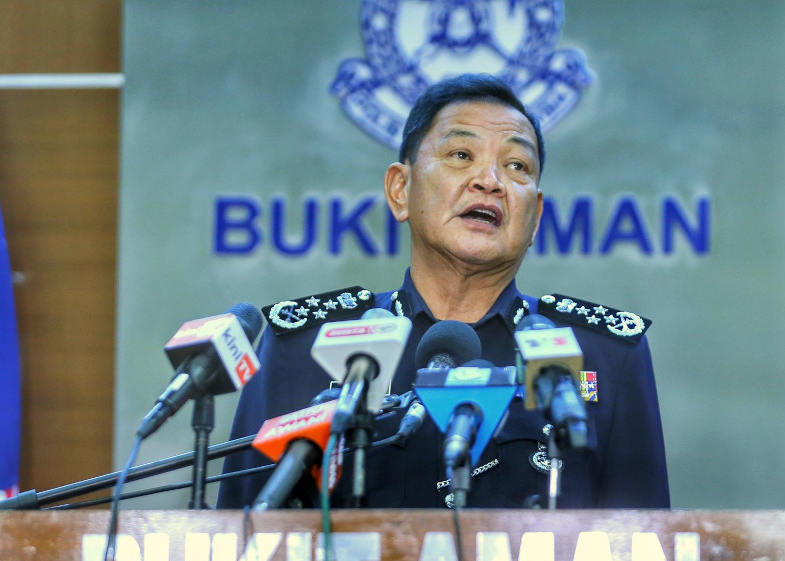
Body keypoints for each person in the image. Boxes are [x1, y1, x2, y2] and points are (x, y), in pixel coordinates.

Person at [217, 73, 669, 510]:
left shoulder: (603, 355)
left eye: (517, 166)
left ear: (536, 217)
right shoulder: (302, 348)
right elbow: (232, 549)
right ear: (400, 189)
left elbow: (644, 558)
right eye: (460, 155)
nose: (489, 180)